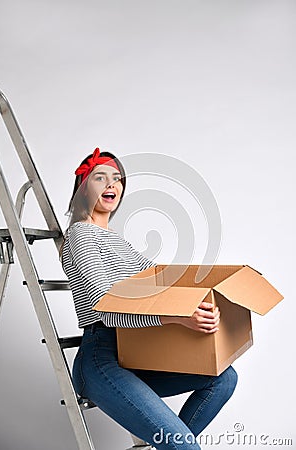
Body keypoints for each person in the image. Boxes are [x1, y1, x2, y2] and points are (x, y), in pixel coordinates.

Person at [60, 148, 238, 450]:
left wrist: (205, 300)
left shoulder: (119, 241)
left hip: (139, 353)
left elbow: (159, 282)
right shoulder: (81, 235)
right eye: (100, 177)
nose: (111, 185)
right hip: (102, 358)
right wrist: (176, 318)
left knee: (223, 376)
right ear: (82, 188)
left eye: (117, 179)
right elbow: (106, 311)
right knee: (184, 446)